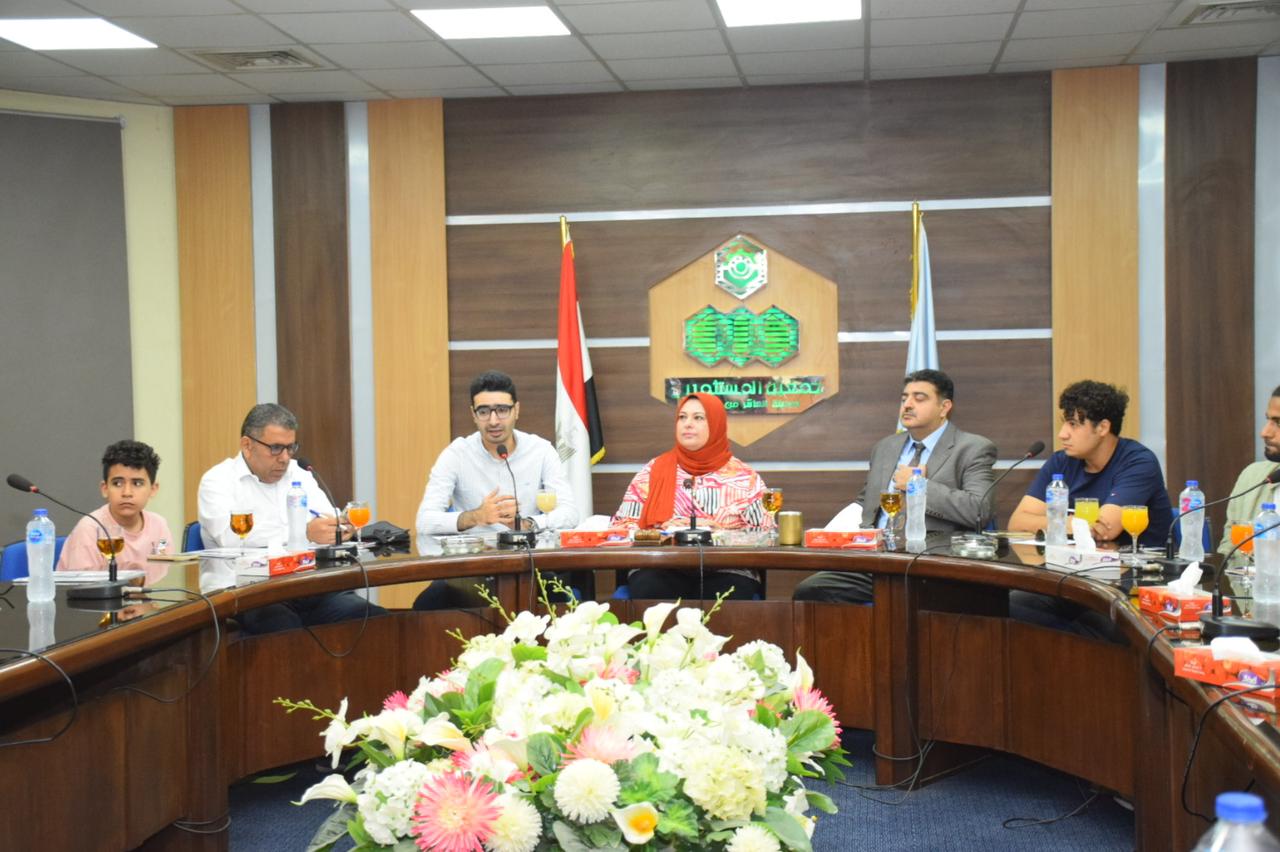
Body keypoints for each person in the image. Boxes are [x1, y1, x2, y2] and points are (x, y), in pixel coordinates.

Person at [793, 369, 997, 603]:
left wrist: (917, 485)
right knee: (812, 590)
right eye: (904, 398)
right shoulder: (885, 448)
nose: (908, 405)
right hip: (875, 561)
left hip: (932, 564)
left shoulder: (972, 449)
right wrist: (832, 535)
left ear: (944, 407)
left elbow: (979, 510)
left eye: (919, 398)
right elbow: (865, 504)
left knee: (914, 600)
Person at [198, 403, 384, 634]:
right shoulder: (217, 481)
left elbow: (326, 516)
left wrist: (338, 526)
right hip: (244, 591)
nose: (285, 458)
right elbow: (231, 538)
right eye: (276, 448)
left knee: (372, 618)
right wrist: (303, 532)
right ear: (247, 445)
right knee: (286, 631)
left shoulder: (299, 473)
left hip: (303, 586)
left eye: (290, 447)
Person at [414, 371, 579, 610]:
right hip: (469, 568)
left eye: (502, 410)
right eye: (484, 411)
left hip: (528, 565)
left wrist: (528, 524)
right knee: (427, 604)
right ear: (473, 414)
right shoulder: (456, 454)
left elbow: (570, 513)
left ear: (516, 410)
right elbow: (424, 521)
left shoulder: (541, 451)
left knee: (556, 599)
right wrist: (476, 516)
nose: (493, 421)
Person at [611, 392, 770, 600]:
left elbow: (766, 534)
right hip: (662, 565)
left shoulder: (744, 477)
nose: (687, 424)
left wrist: (719, 533)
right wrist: (664, 532)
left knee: (725, 594)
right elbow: (621, 528)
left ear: (716, 424)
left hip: (727, 568)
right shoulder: (653, 471)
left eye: (698, 418)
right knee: (650, 587)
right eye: (682, 417)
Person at [1009, 380, 1173, 548]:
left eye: (1073, 424)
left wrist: (1057, 523)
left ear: (1102, 428)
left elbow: (1105, 531)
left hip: (1137, 562)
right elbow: (1017, 523)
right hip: (1074, 560)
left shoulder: (1139, 463)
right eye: (1065, 423)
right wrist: (1071, 523)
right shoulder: (1060, 462)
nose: (1062, 434)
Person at [56, 439, 173, 584]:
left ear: (153, 489)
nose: (127, 492)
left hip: (146, 597)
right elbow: (85, 588)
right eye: (117, 483)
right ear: (105, 489)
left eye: (137, 483)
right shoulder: (90, 529)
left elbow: (163, 574)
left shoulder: (159, 525)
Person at [1218, 384, 1280, 561]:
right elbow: (1229, 548)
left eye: (1278, 423)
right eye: (1268, 420)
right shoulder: (1253, 477)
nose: (1265, 432)